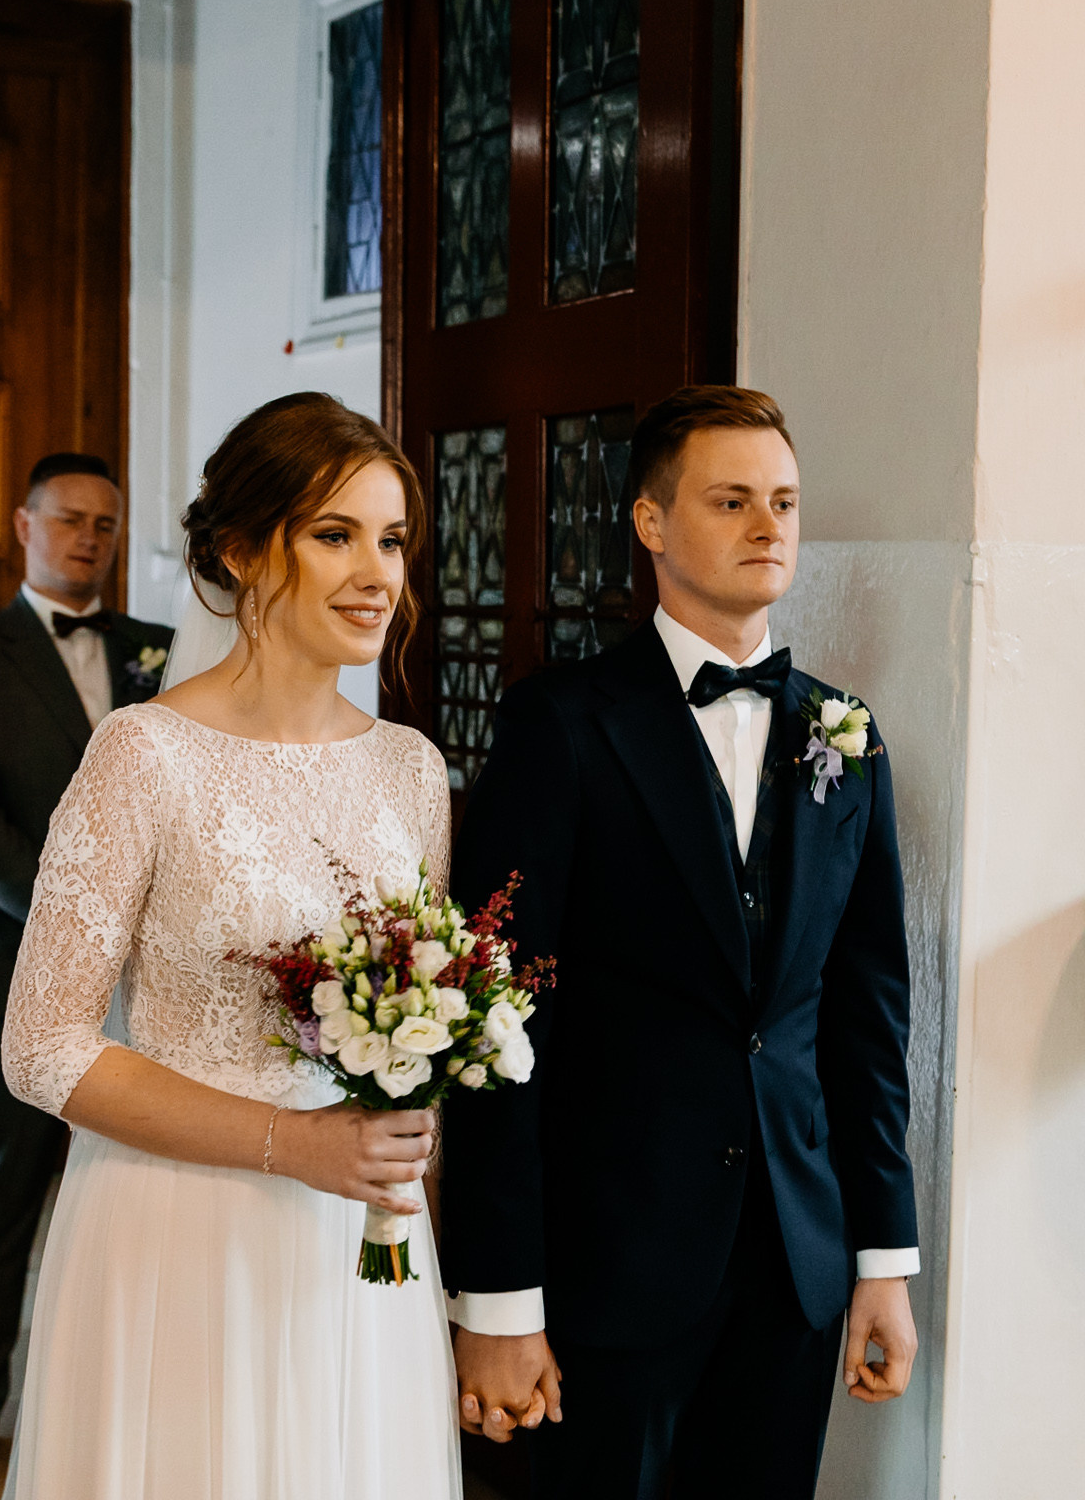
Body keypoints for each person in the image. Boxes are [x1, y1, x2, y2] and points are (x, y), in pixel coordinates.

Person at [442, 386, 922, 1499]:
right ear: (652, 523)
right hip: (602, 1272)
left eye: (786, 502)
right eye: (733, 500)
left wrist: (881, 1261)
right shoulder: (557, 724)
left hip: (795, 1264)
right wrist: (501, 1299)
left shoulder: (844, 736)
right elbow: (497, 1029)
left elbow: (869, 1017)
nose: (769, 526)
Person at [0, 392, 460, 1498]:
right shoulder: (144, 754)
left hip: (358, 1248)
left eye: (392, 539)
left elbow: (421, 1034)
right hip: (179, 1230)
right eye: (335, 534)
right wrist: (288, 1144)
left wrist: (408, 1194)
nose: (377, 573)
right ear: (246, 551)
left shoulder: (410, 768)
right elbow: (42, 1046)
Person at [0, 451, 176, 1499]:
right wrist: (87, 923)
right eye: (68, 518)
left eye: (106, 524)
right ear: (22, 524)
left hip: (152, 983)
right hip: (8, 972)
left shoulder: (159, 650)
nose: (88, 538)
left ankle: (123, 1390)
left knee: (138, 1191)